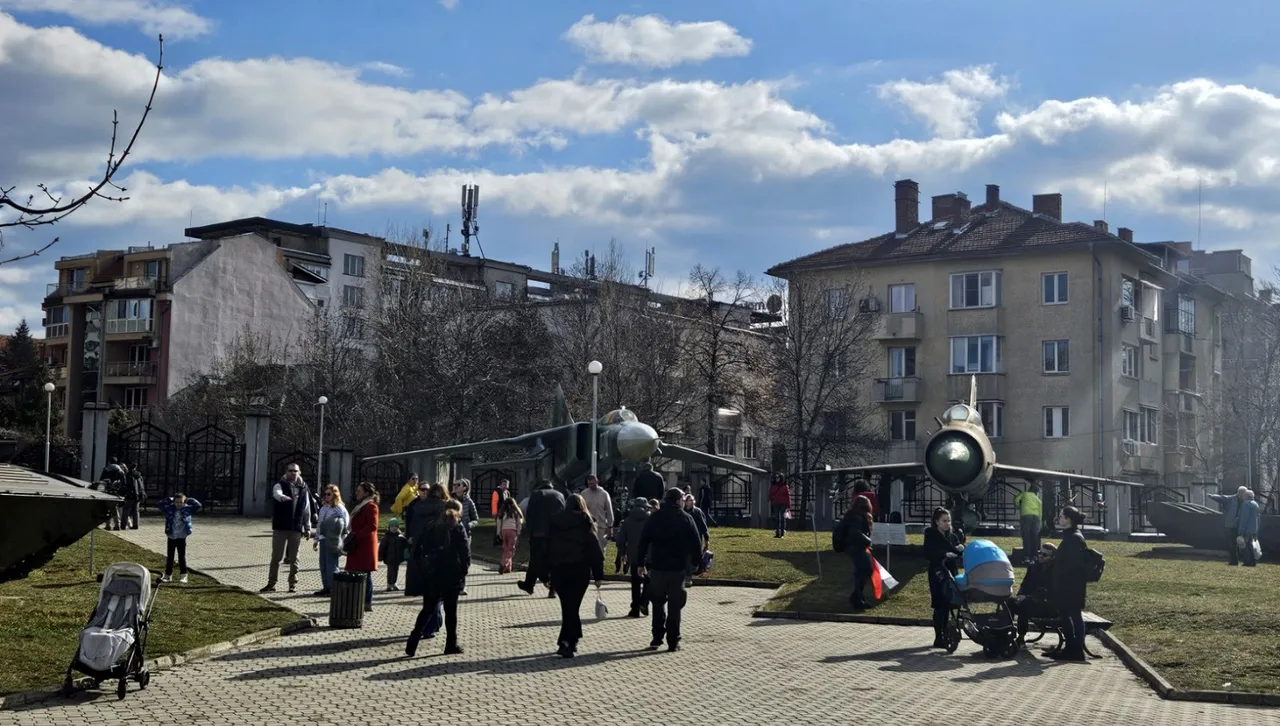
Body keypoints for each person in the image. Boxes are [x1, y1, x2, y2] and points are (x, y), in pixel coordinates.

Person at [639, 487, 703, 652]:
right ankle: (673, 641)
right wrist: (696, 564)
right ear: (679, 500)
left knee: (657, 603)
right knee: (675, 605)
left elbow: (644, 540)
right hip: (677, 568)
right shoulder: (685, 518)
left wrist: (640, 563)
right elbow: (696, 542)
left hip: (658, 566)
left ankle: (657, 637)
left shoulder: (655, 517)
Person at [405, 499, 470, 657]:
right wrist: (463, 571)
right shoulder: (458, 527)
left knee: (428, 609)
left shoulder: (432, 525)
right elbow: (465, 552)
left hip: (433, 574)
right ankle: (450, 644)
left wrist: (424, 568)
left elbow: (418, 549)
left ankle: (413, 640)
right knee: (451, 612)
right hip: (452, 574)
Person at [546, 494, 605, 657]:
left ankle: (570, 640)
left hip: (559, 570)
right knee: (572, 607)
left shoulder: (555, 522)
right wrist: (598, 574)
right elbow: (595, 549)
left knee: (568, 607)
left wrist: (545, 572)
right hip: (580, 571)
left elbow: (547, 547)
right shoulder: (586, 522)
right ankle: (567, 641)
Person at [405, 482, 449, 637]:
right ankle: (431, 626)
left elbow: (411, 527)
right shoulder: (444, 508)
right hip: (437, 554)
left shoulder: (418, 506)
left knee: (428, 592)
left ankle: (434, 623)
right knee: (435, 593)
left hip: (421, 553)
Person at [261, 464, 313, 594]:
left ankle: (292, 584)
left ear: (299, 472)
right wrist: (282, 497)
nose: (293, 473)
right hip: (281, 527)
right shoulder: (280, 485)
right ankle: (271, 583)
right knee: (276, 557)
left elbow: (306, 509)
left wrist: (307, 527)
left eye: (295, 471)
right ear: (286, 472)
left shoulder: (303, 487)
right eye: (290, 471)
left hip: (296, 528)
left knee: (294, 558)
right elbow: (276, 493)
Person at [1050, 506, 1090, 662]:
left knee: (1073, 616)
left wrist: (1061, 575)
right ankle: (1070, 648)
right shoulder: (1070, 536)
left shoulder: (1074, 538)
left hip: (1072, 586)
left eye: (1061, 516)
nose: (1059, 518)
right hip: (1067, 585)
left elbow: (1073, 564)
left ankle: (1076, 650)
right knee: (1067, 616)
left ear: (1068, 519)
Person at [923, 506, 965, 647]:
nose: (947, 524)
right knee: (939, 604)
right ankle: (938, 636)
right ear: (937, 522)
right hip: (938, 572)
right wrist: (944, 554)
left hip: (950, 571)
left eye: (949, 521)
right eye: (944, 521)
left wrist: (960, 548)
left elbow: (958, 549)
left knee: (948, 603)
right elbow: (928, 553)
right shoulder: (931, 534)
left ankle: (946, 633)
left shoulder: (952, 536)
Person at [518, 480, 565, 597]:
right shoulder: (560, 495)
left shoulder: (537, 495)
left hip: (539, 533)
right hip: (556, 534)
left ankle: (540, 581)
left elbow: (530, 514)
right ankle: (551, 589)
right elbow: (563, 513)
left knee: (536, 559)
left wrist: (530, 530)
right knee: (553, 561)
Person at [344, 482, 380, 612]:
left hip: (365, 545)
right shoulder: (361, 505)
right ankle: (357, 599)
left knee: (365, 573)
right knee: (355, 571)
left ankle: (367, 602)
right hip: (357, 544)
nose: (356, 493)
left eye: (359, 491)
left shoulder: (371, 506)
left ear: (366, 493)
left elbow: (373, 525)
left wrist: (357, 535)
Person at [614, 497, 652, 618]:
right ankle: (644, 602)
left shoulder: (627, 521)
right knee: (649, 581)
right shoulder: (651, 519)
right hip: (650, 555)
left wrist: (622, 553)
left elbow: (621, 540)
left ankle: (635, 609)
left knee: (635, 583)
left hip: (634, 556)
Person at [1012, 543, 1058, 642]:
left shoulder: (1056, 571)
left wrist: (1027, 597)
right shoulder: (1033, 567)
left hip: (1048, 606)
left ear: (1053, 557)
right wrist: (1020, 594)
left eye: (1044, 555)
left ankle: (1021, 638)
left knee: (1024, 606)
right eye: (1040, 553)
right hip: (1032, 601)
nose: (1040, 556)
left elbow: (1049, 593)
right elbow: (1025, 584)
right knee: (1009, 602)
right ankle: (1006, 632)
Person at [837, 495, 876, 611]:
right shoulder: (858, 517)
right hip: (856, 547)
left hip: (852, 547)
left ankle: (858, 597)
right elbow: (855, 532)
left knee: (862, 571)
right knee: (865, 570)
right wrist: (868, 541)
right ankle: (856, 598)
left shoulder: (852, 515)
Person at [312, 485, 349, 596]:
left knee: (332, 565)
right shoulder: (323, 508)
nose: (326, 496)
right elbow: (319, 524)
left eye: (329, 494)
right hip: (323, 539)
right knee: (323, 565)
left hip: (333, 539)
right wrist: (316, 539)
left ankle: (334, 588)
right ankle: (326, 587)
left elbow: (345, 522)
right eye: (325, 494)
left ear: (335, 495)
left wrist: (339, 535)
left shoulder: (339, 508)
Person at [158, 492, 201, 583]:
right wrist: (169, 499)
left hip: (182, 536)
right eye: (177, 502)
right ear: (174, 502)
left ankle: (183, 575)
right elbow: (159, 505)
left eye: (181, 502)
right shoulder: (170, 509)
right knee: (170, 557)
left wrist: (188, 499)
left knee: (181, 556)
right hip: (171, 535)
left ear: (184, 502)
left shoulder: (187, 509)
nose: (179, 504)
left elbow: (198, 505)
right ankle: (168, 575)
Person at [1207, 485, 1249, 565]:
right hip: (1232, 525)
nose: (1242, 495)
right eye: (1242, 493)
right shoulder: (1231, 499)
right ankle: (1234, 561)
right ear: (1238, 493)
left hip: (1243, 526)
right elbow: (1222, 498)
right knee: (1232, 544)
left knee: (1244, 544)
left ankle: (1247, 561)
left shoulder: (1247, 501)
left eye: (1244, 493)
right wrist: (1212, 496)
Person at [580, 475, 615, 552]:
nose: (590, 486)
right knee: (588, 549)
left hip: (600, 526)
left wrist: (610, 527)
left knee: (600, 549)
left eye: (592, 484)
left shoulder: (604, 494)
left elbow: (609, 511)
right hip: (588, 527)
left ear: (597, 482)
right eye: (589, 484)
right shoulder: (584, 494)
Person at [1014, 483, 1043, 565]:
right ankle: (1034, 556)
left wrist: (1019, 506)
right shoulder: (1038, 500)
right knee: (1034, 537)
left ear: (1029, 489)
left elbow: (1016, 500)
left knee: (1026, 536)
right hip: (1036, 517)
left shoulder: (1024, 494)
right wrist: (1040, 524)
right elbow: (1040, 513)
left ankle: (1026, 557)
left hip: (1026, 516)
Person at [496, 497, 524, 574]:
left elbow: (499, 522)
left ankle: (508, 568)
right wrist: (518, 531)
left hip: (503, 531)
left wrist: (498, 533)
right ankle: (504, 564)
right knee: (511, 549)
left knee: (505, 549)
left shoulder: (502, 512)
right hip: (512, 531)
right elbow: (519, 522)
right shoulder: (516, 512)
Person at [380, 518, 408, 591]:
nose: (394, 528)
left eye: (395, 526)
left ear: (398, 527)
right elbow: (382, 548)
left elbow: (405, 546)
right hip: (389, 557)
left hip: (397, 557)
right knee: (390, 571)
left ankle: (394, 583)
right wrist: (380, 556)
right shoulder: (386, 537)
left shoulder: (401, 537)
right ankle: (389, 584)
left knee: (396, 570)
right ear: (389, 527)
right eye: (392, 526)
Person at [1238, 489, 1261, 567]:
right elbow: (1258, 518)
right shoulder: (1256, 504)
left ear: (1246, 496)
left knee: (1246, 545)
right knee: (1251, 545)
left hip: (1247, 528)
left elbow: (1244, 518)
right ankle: (1253, 561)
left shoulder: (1245, 504)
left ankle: (1247, 562)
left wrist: (1241, 530)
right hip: (1254, 528)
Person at [768, 474, 791, 538]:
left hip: (783, 503)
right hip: (776, 503)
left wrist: (788, 506)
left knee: (782, 518)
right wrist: (772, 499)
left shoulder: (785, 486)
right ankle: (778, 533)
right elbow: (770, 494)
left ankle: (782, 534)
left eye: (778, 477)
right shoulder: (773, 486)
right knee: (777, 518)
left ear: (781, 478)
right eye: (776, 477)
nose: (777, 479)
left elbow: (788, 496)